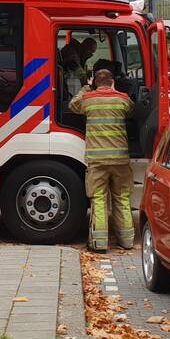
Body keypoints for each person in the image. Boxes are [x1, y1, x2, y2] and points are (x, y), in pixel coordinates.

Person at [69, 68, 135, 252]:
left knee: (98, 199)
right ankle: (127, 241)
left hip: (97, 160)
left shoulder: (88, 100)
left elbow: (72, 105)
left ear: (95, 82)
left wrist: (85, 88)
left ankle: (100, 243)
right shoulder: (122, 99)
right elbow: (132, 112)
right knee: (122, 198)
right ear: (112, 81)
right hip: (120, 159)